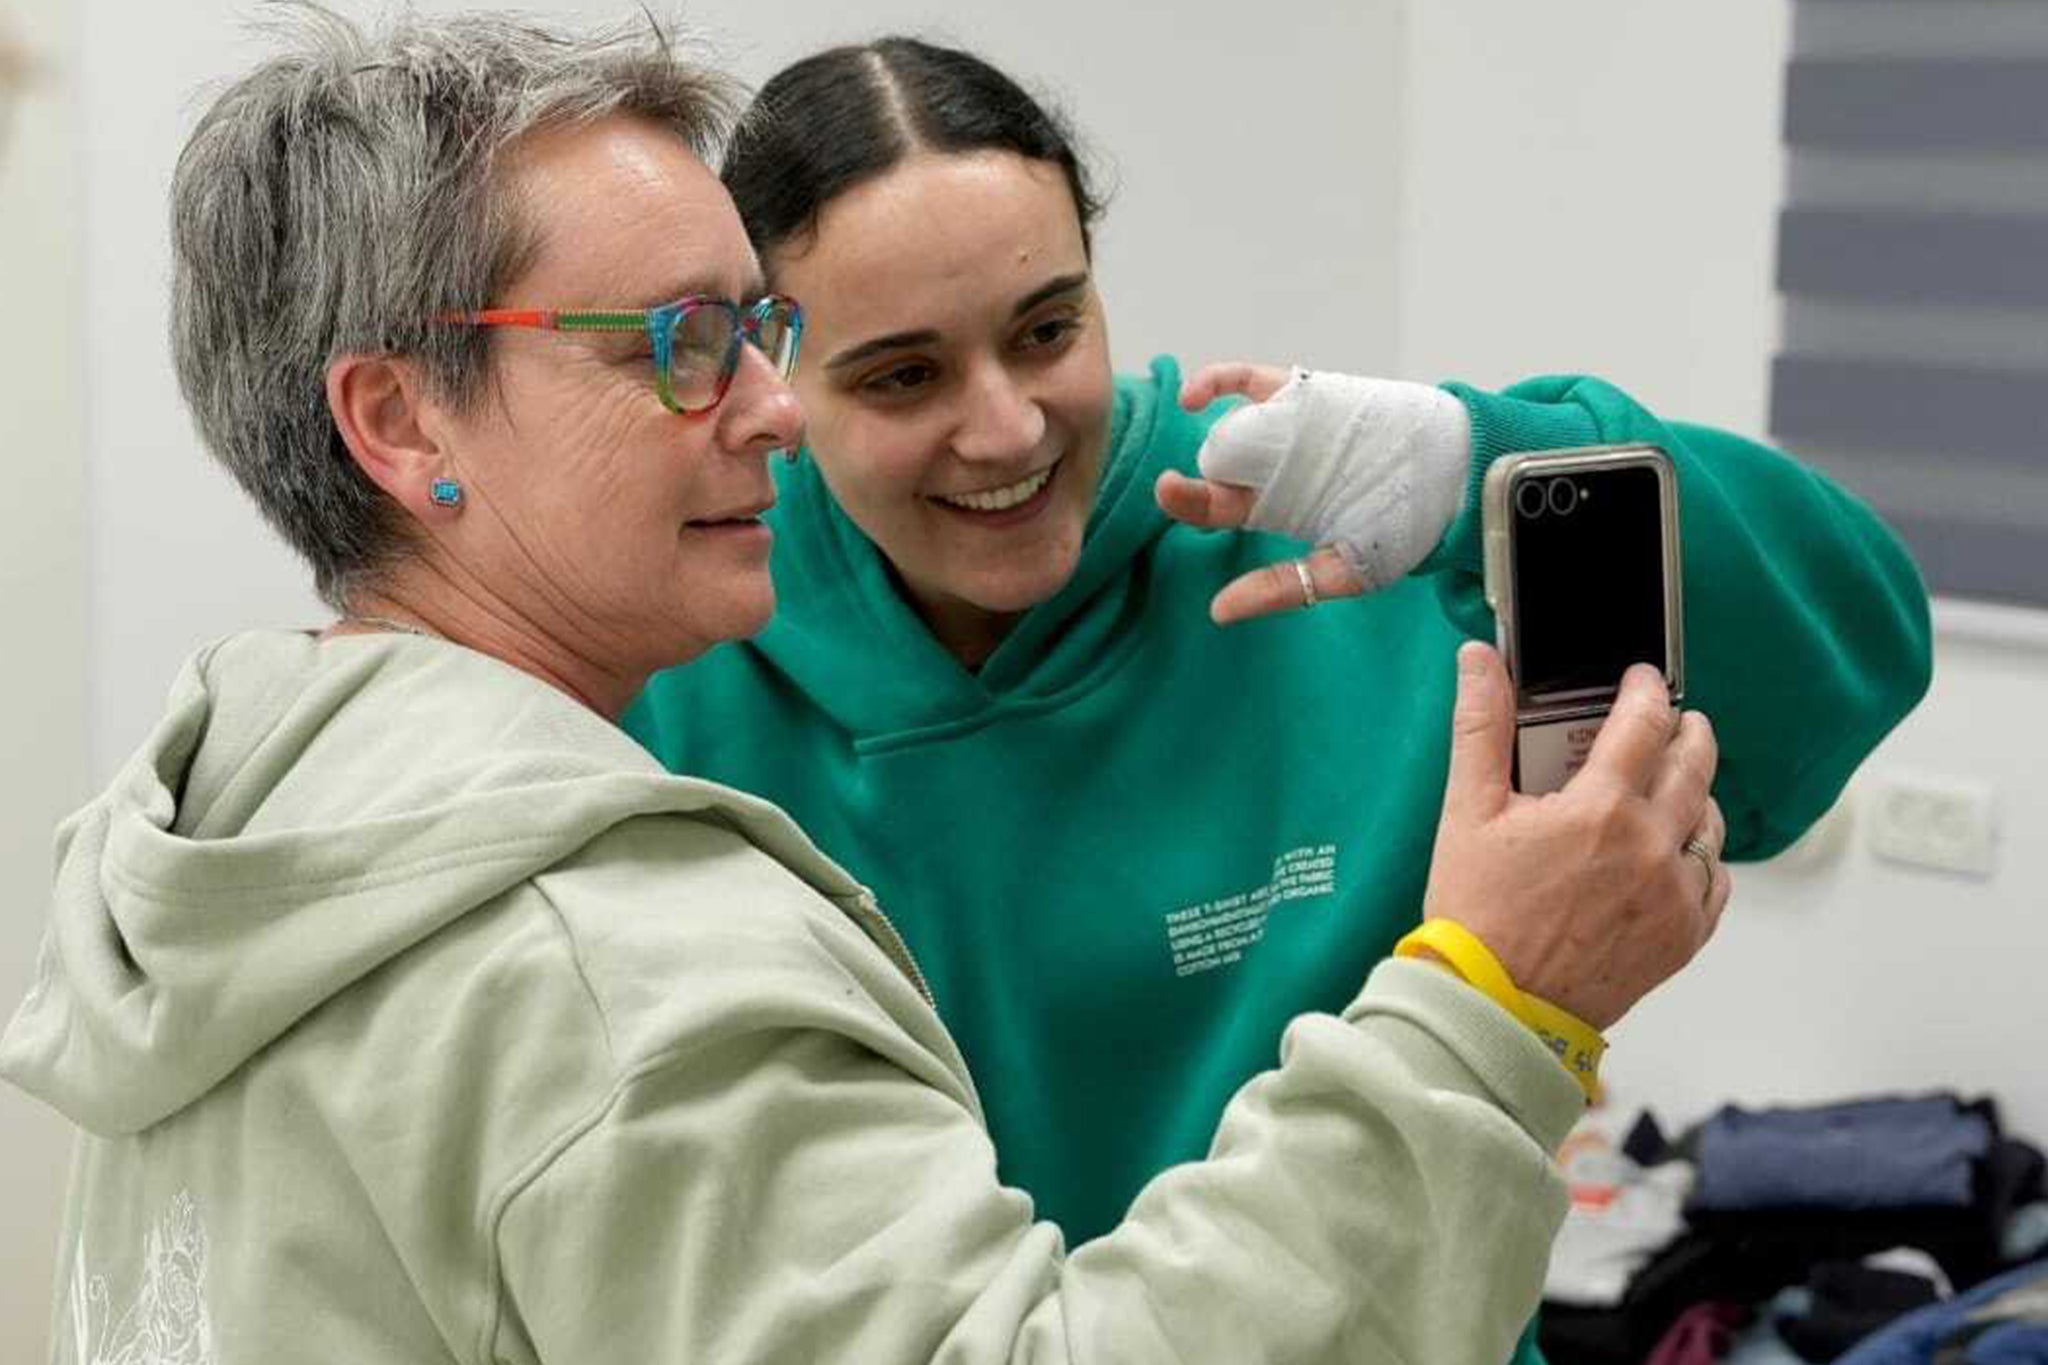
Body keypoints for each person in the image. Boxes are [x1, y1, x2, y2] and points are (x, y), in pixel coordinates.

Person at [2, 10, 1730, 1364]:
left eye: (761, 332)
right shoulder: (608, 971)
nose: (774, 407)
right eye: (685, 346)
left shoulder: (244, 832)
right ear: (398, 421)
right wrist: (1496, 1007)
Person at [621, 34, 1934, 1362]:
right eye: (904, 373)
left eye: (1048, 329)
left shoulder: (1319, 526)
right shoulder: (671, 657)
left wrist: (1482, 459)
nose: (1007, 426)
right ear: (770, 370)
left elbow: (1847, 673)